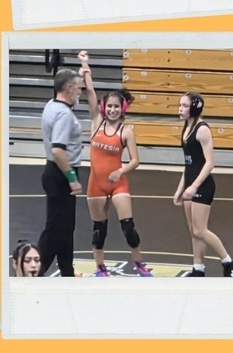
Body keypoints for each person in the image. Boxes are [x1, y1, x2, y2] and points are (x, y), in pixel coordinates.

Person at [78, 50, 152, 277]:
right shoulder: (96, 122)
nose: (112, 110)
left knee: (128, 226)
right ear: (103, 107)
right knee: (99, 230)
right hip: (96, 184)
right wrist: (85, 65)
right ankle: (100, 267)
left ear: (123, 109)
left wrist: (121, 170)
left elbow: (136, 161)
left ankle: (139, 263)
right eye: (108, 106)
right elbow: (90, 91)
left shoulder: (126, 131)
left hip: (118, 183)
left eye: (116, 107)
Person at [174, 92, 233, 277]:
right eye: (180, 105)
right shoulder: (187, 127)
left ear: (194, 108)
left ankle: (229, 262)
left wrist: (193, 186)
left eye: (185, 105)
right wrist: (181, 188)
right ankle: (198, 268)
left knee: (200, 229)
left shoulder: (202, 129)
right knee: (193, 231)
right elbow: (189, 163)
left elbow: (210, 162)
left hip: (202, 185)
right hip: (190, 184)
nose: (180, 108)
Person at [38, 67, 84, 277]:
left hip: (53, 173)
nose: (80, 91)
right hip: (61, 174)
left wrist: (85, 72)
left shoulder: (52, 105)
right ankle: (36, 273)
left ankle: (67, 271)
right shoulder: (64, 114)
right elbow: (58, 150)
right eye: (78, 87)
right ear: (68, 88)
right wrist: (72, 178)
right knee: (55, 230)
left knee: (65, 228)